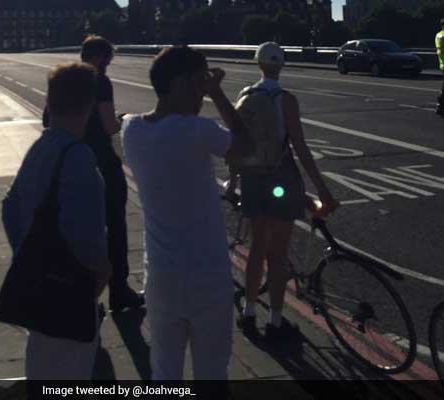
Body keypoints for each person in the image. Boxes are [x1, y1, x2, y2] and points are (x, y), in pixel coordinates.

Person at [121, 46, 253, 380]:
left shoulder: (132, 131)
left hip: (161, 277)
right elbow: (246, 145)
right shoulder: (196, 130)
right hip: (207, 276)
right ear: (180, 83)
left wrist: (202, 87)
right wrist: (219, 93)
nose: (202, 91)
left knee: (164, 370)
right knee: (211, 373)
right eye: (199, 83)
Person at [2, 63, 112, 380]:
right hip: (68, 298)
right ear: (90, 106)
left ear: (48, 103)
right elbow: (90, 245)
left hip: (39, 291)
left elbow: (9, 207)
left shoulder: (41, 146)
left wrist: (26, 255)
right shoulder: (79, 157)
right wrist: (99, 277)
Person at [237, 42, 339, 340]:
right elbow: (301, 149)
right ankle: (276, 320)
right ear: (281, 66)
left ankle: (249, 312)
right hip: (281, 178)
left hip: (253, 178)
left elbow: (237, 142)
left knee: (257, 248)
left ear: (258, 64)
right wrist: (323, 190)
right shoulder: (286, 100)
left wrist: (234, 178)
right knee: (278, 253)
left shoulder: (245, 95)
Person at [43, 35, 143, 312]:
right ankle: (119, 291)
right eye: (109, 58)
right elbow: (110, 126)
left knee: (79, 229)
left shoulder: (63, 80)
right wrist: (120, 120)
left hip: (69, 162)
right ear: (100, 57)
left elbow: (47, 121)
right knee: (114, 228)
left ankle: (84, 297)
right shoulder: (100, 81)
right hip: (100, 162)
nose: (110, 63)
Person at [436, 17, 444, 117]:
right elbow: (441, 50)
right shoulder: (441, 36)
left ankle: (440, 106)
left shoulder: (439, 35)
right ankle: (440, 105)